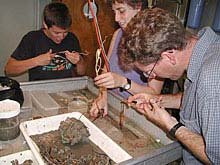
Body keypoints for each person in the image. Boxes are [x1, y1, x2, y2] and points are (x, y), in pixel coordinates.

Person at [118, 7, 220, 164]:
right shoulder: (203, 49)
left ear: (168, 56)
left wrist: (171, 125)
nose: (152, 77)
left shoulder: (211, 80)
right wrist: (158, 100)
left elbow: (216, 158)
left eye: (149, 72)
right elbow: (197, 101)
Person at [89, 0, 164, 117]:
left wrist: (123, 82)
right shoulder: (118, 34)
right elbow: (106, 70)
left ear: (138, 7)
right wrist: (102, 95)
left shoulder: (154, 41)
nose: (116, 18)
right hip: (113, 103)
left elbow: (154, 93)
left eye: (121, 11)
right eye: (114, 12)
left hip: (137, 111)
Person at [5, 2, 86, 81]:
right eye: (56, 33)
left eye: (65, 32)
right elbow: (9, 70)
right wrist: (36, 61)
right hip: (39, 89)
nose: (61, 37)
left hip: (65, 88)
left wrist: (79, 62)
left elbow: (81, 72)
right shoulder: (32, 39)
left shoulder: (72, 38)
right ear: (45, 25)